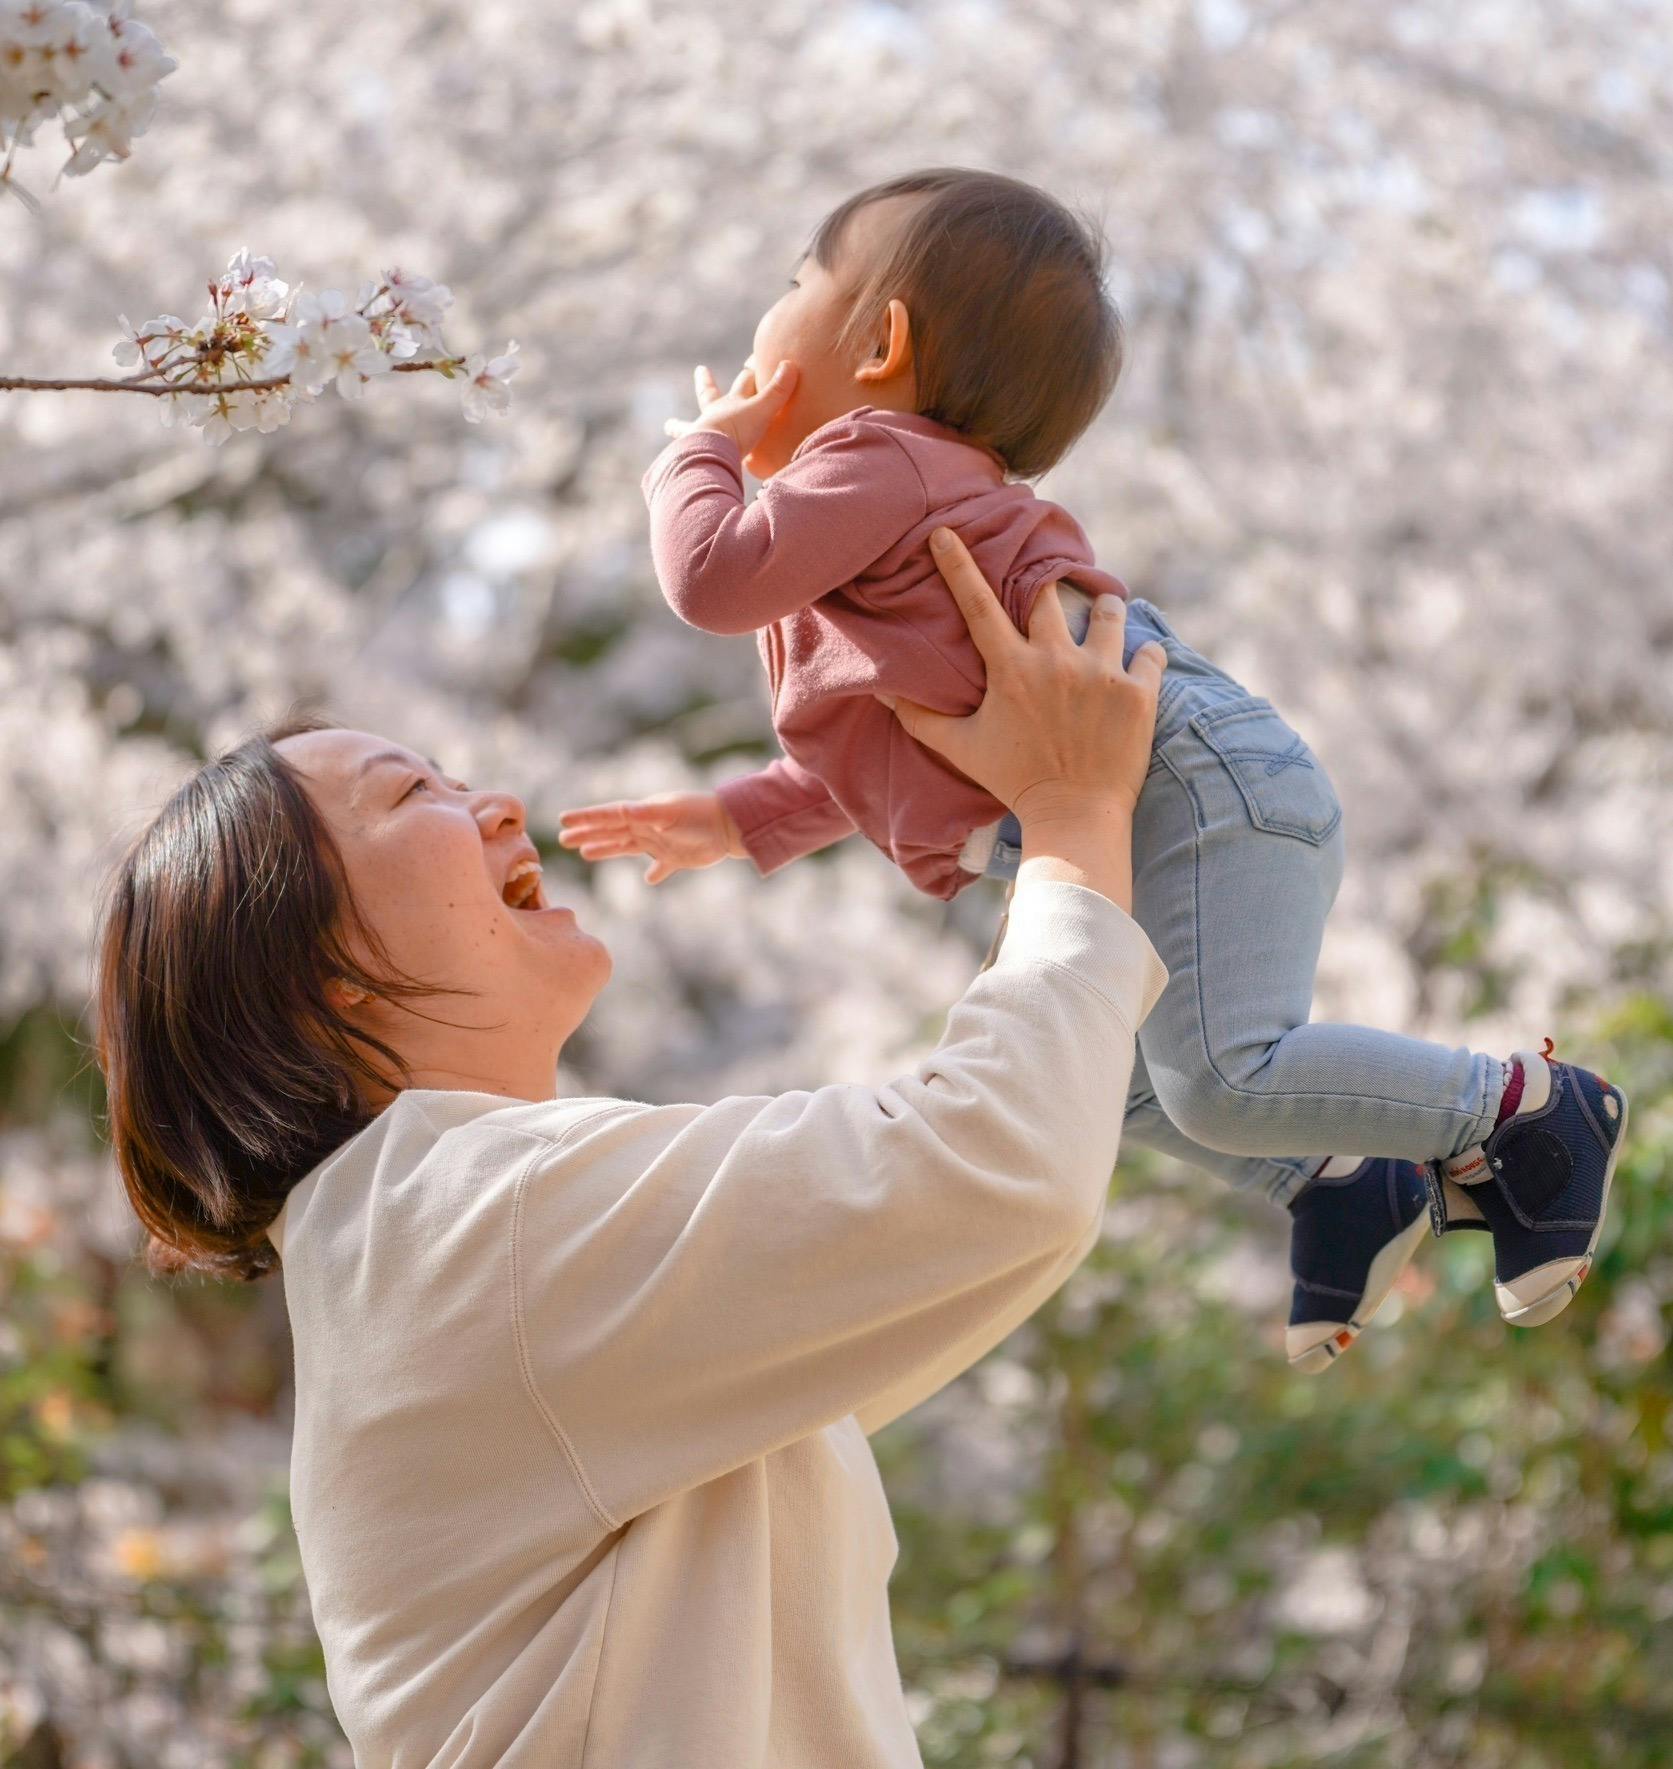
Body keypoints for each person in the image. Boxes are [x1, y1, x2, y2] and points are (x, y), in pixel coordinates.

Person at [94, 534, 1169, 1766]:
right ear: (314, 980)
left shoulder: (436, 1234)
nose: (492, 800)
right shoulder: (469, 1222)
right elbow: (991, 1169)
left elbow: (933, 1231)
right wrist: (1076, 810)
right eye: (409, 797)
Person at [560, 167, 1628, 1369]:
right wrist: (734, 816)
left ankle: (1525, 1109)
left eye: (795, 279)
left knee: (1219, 1074)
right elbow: (897, 740)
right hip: (1163, 793)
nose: (771, 306)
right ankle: (1341, 1183)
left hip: (1190, 782)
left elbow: (707, 578)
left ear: (882, 343)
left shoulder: (878, 457)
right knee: (1098, 1081)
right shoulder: (894, 514)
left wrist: (698, 451)